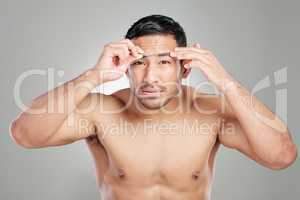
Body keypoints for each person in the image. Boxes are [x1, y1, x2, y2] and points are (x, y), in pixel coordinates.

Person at [10, 14, 297, 200]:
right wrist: (94, 75)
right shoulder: (100, 111)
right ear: (125, 67)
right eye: (139, 63)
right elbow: (25, 134)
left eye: (163, 62)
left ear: (185, 69)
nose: (150, 77)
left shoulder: (211, 112)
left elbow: (281, 156)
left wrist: (224, 81)